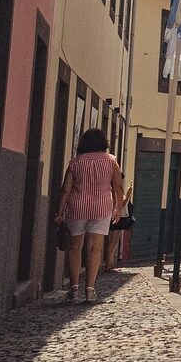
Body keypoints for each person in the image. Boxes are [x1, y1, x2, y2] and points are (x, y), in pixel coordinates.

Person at [55, 127, 124, 303]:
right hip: (102, 207)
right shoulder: (111, 161)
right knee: (95, 248)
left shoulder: (75, 162)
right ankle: (90, 289)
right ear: (104, 143)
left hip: (77, 207)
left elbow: (66, 189)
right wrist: (118, 208)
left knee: (75, 247)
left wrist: (60, 211)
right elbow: (118, 186)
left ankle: (74, 288)